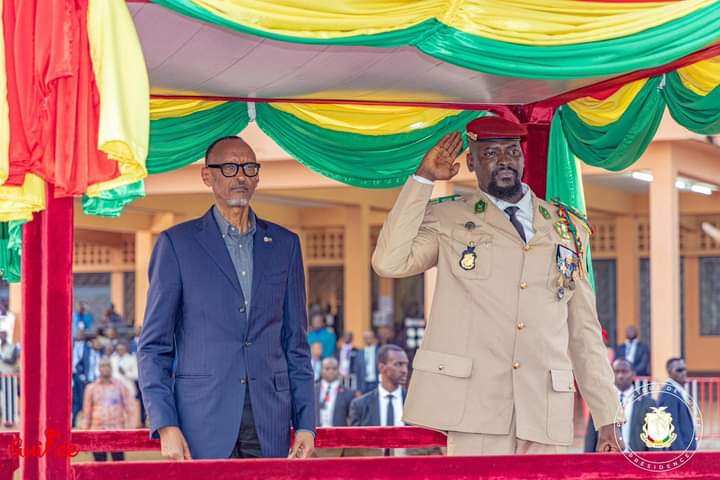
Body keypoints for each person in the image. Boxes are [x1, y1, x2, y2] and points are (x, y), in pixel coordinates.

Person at [372, 117, 622, 456]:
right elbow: (389, 261)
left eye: (511, 151)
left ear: (521, 157)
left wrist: (607, 415)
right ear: (472, 162)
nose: (504, 160)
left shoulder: (565, 227)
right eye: (490, 152)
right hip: (475, 407)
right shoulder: (448, 219)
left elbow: (584, 331)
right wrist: (423, 179)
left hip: (545, 407)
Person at [139, 136, 315, 460]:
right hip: (200, 420)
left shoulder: (285, 245)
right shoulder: (177, 245)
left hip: (270, 419)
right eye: (230, 167)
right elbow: (153, 347)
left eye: (249, 167)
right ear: (207, 176)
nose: (241, 176)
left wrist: (306, 424)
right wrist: (165, 424)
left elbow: (296, 343)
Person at [584, 358, 656, 452]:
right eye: (616, 372)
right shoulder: (601, 402)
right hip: (608, 459)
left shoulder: (648, 403)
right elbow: (591, 436)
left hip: (637, 459)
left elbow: (654, 438)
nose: (620, 376)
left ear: (633, 374)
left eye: (624, 371)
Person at [81, 357, 134, 461]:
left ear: (111, 368)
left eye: (108, 365)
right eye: (103, 365)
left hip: (117, 431)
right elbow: (86, 414)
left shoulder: (121, 386)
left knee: (119, 464)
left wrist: (130, 432)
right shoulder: (91, 388)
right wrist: (84, 436)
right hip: (97, 432)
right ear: (99, 368)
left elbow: (129, 409)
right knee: (100, 465)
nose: (105, 368)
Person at [349, 345, 408, 428]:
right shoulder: (360, 405)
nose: (404, 370)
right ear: (381, 367)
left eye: (406, 365)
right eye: (398, 364)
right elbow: (354, 440)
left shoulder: (416, 404)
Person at [658, 358, 697, 451]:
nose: (683, 372)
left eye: (684, 369)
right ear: (670, 373)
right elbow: (670, 426)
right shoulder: (669, 393)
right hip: (679, 453)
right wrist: (679, 454)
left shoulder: (676, 391)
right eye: (679, 370)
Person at [315, 358, 355, 427]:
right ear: (321, 370)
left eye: (334, 368)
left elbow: (351, 419)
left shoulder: (348, 393)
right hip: (315, 434)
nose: (331, 371)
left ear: (338, 370)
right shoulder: (313, 390)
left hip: (338, 435)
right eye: (327, 368)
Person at [0, 330, 18, 427]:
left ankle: (11, 420)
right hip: (1, 376)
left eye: (3, 335)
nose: (1, 337)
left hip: (9, 377)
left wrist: (2, 358)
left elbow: (13, 360)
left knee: (10, 398)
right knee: (2, 399)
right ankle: (4, 419)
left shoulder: (12, 347)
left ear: (6, 336)